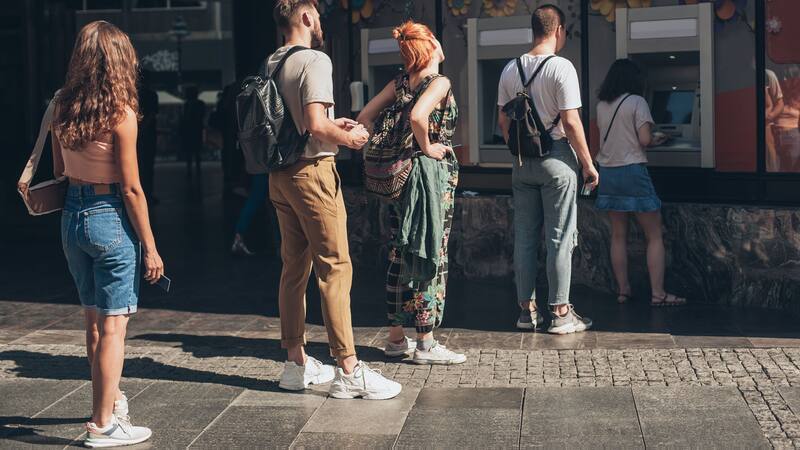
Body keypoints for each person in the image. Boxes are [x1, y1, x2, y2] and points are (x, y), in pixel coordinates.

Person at [269, 0, 402, 400]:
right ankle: (349, 369)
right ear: (306, 17)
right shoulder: (315, 60)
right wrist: (351, 137)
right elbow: (313, 123)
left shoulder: (274, 61)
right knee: (335, 268)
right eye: (318, 15)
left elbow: (299, 121)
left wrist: (332, 125)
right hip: (312, 174)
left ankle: (295, 364)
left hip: (281, 175)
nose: (321, 22)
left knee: (294, 268)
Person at [52, 21, 164, 447]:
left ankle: (112, 402)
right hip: (109, 217)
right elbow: (133, 188)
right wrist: (150, 248)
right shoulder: (121, 114)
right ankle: (102, 425)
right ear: (120, 62)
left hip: (72, 219)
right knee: (114, 327)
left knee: (94, 323)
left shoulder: (61, 105)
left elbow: (60, 171)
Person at [356, 21, 465, 365]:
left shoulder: (399, 82)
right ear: (430, 44)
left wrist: (390, 148)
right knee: (429, 250)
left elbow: (364, 115)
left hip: (397, 178)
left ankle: (394, 339)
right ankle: (426, 343)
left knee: (399, 253)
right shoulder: (439, 81)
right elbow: (419, 116)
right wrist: (429, 147)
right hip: (427, 179)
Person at [497, 4, 598, 335]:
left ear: (533, 29)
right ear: (559, 30)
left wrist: (522, 149)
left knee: (524, 238)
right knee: (559, 237)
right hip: (556, 161)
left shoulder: (510, 69)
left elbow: (503, 121)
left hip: (522, 163)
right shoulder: (562, 68)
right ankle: (560, 313)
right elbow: (570, 121)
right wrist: (587, 164)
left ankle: (526, 314)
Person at [594, 59, 686, 307]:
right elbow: (644, 139)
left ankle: (623, 291)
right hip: (632, 171)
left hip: (609, 173)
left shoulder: (602, 105)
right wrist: (659, 138)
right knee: (654, 235)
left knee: (618, 235)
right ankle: (658, 294)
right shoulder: (637, 102)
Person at [230, 172, 281, 256]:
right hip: (264, 167)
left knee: (259, 199)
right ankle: (239, 237)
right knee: (259, 199)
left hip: (262, 167)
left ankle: (239, 237)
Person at [137, 71, 159, 204]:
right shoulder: (151, 95)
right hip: (148, 134)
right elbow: (152, 114)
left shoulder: (134, 94)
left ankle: (142, 194)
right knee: (148, 166)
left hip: (136, 134)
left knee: (138, 165)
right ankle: (147, 194)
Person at [180, 85, 205, 177]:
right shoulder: (199, 104)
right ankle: (194, 170)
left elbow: (185, 118)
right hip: (195, 130)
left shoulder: (188, 104)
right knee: (194, 151)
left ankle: (191, 170)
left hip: (192, 130)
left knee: (192, 152)